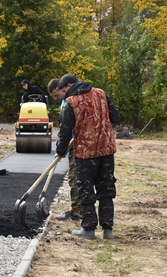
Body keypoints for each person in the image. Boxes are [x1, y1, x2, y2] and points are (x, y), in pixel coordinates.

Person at [55, 74, 120, 240]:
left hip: (85, 152)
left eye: (64, 90)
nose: (64, 94)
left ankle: (88, 229)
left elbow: (65, 131)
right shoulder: (101, 94)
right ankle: (108, 230)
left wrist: (61, 151)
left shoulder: (71, 102)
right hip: (106, 150)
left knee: (85, 188)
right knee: (106, 188)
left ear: (70, 85)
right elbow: (117, 117)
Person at [47, 77, 81, 221]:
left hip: (78, 144)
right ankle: (77, 208)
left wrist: (61, 149)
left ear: (63, 89)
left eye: (56, 95)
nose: (55, 98)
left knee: (75, 177)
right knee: (74, 178)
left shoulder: (71, 101)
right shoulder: (64, 102)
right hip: (71, 143)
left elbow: (68, 129)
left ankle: (76, 210)